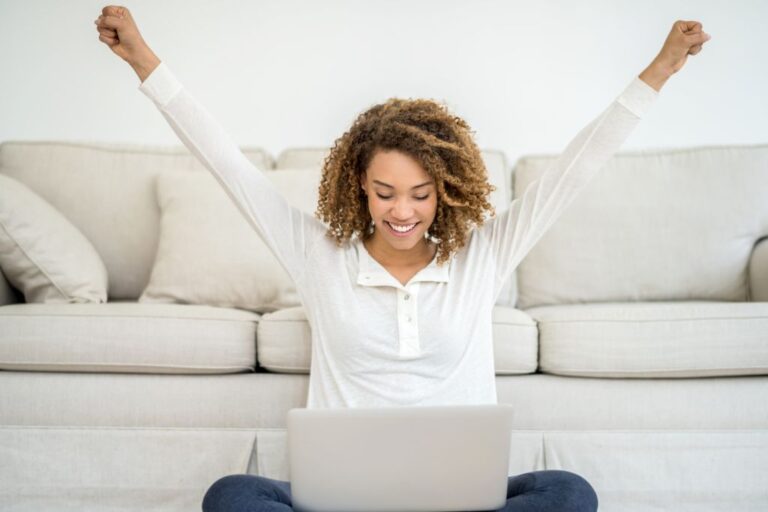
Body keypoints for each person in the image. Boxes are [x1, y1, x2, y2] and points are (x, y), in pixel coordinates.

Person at [95, 6, 710, 511]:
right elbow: (227, 165)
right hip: (340, 502)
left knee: (569, 494)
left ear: (446, 189)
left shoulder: (483, 256)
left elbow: (574, 171)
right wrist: (145, 62)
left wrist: (659, 70)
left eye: (420, 194)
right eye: (385, 192)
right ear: (358, 186)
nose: (402, 212)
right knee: (232, 497)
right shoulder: (319, 256)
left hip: (461, 500)